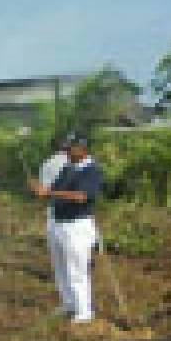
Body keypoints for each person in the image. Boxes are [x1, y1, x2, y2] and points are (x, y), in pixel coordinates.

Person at [32, 135, 103, 324]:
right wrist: (41, 191)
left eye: (70, 149)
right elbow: (53, 192)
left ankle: (84, 311)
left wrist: (51, 192)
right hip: (58, 223)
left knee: (77, 269)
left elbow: (81, 196)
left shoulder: (92, 170)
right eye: (66, 148)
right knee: (60, 267)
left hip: (77, 226)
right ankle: (68, 303)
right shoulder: (67, 168)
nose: (66, 152)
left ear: (82, 149)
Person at [38, 136, 73, 317]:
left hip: (56, 217)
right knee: (77, 263)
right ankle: (82, 304)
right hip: (80, 218)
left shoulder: (48, 164)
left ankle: (68, 302)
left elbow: (44, 193)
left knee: (60, 263)